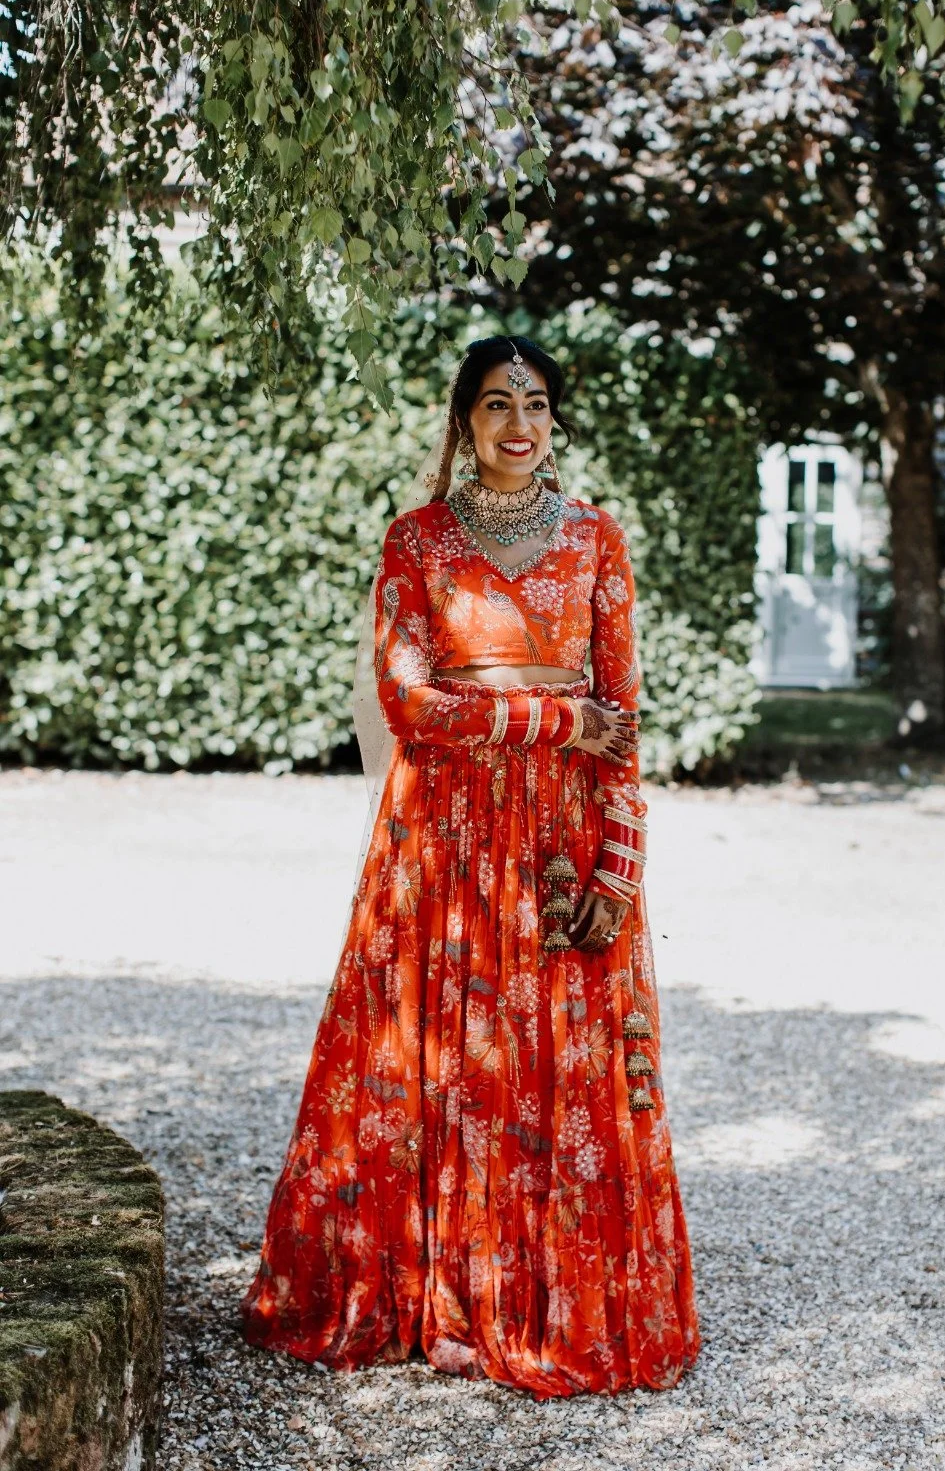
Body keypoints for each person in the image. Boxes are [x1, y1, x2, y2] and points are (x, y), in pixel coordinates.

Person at [240, 335, 700, 1396]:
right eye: (495, 403)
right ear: (462, 423)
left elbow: (623, 720)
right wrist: (553, 716)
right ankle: (423, 1295)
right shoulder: (418, 543)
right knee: (431, 1048)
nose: (518, 424)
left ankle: (546, 1302)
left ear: (555, 419)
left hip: (558, 841)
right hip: (441, 837)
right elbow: (414, 706)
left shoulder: (595, 539)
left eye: (535, 402)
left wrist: (619, 868)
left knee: (560, 1070)